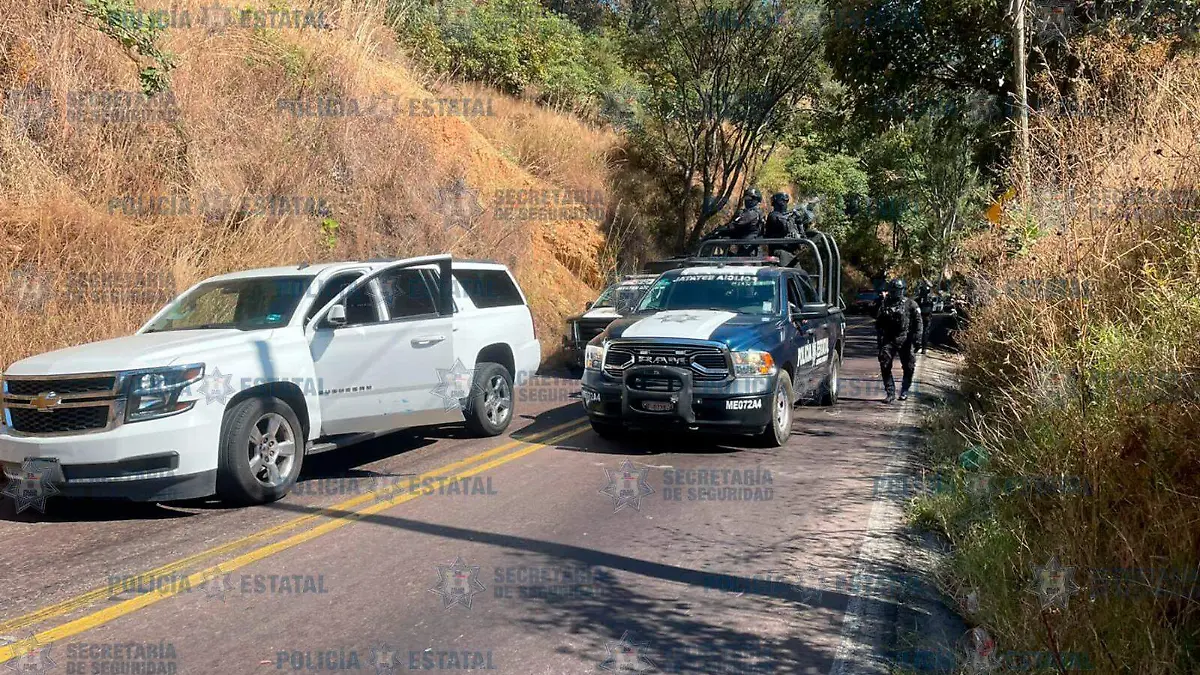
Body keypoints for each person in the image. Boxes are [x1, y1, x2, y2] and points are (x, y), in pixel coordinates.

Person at [874, 278, 922, 403]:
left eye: (897, 290)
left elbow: (918, 322)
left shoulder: (910, 304)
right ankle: (890, 393)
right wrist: (879, 340)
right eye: (893, 290)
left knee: (909, 366)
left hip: (905, 338)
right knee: (884, 363)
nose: (895, 293)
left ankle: (905, 390)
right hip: (889, 339)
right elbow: (878, 323)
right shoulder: (884, 304)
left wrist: (918, 339)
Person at [916, 279, 934, 354]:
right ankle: (922, 347)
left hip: (923, 317)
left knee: (921, 331)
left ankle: (921, 347)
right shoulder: (929, 300)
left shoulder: (925, 300)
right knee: (923, 332)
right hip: (925, 317)